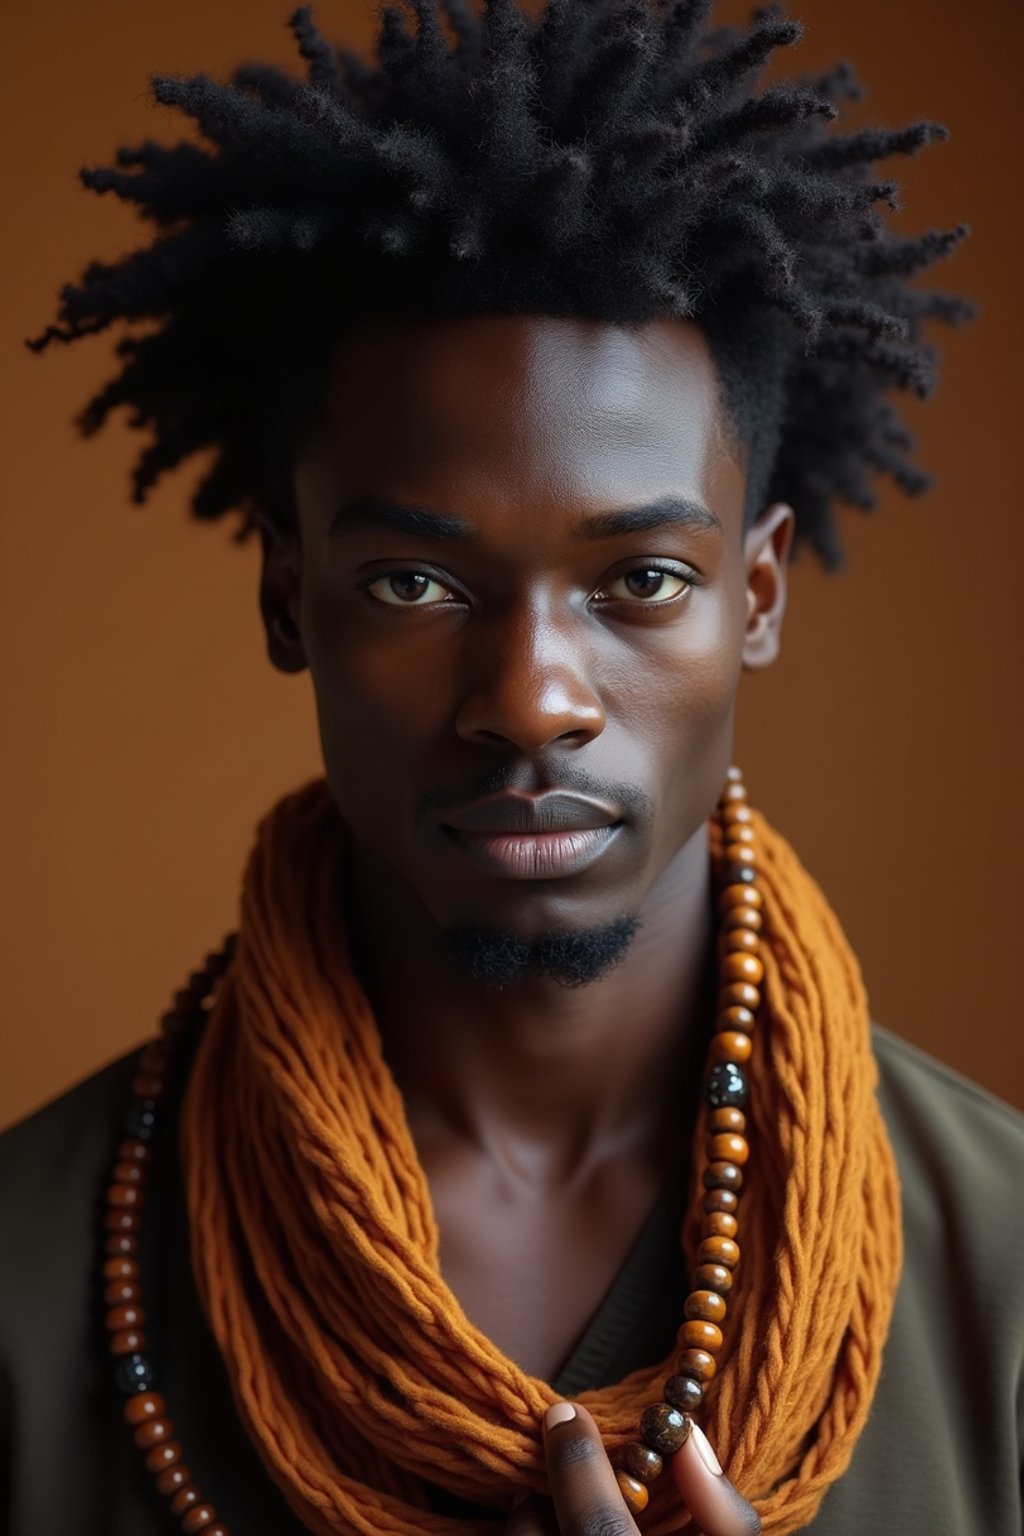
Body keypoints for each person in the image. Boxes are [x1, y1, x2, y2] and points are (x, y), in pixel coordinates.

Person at [2, 1, 1021, 1533]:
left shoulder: (1001, 1263)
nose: (533, 699)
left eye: (643, 583)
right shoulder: (31, 1273)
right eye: (417, 583)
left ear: (758, 595)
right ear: (292, 599)